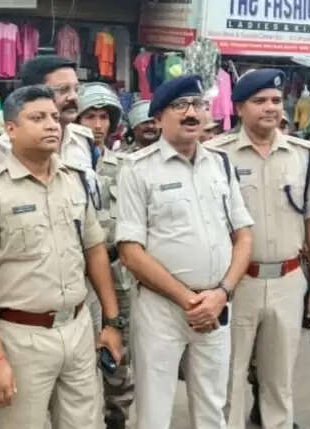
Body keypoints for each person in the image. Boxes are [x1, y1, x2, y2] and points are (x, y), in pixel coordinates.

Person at [0, 84, 122, 429]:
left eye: (53, 117)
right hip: (22, 335)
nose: (51, 125)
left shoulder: (74, 181)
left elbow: (95, 251)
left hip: (77, 327)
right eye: (37, 118)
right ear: (11, 129)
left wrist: (111, 323)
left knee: (84, 423)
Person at [117, 75, 253, 429]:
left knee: (212, 408)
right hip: (161, 308)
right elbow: (130, 251)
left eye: (198, 105)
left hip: (216, 304)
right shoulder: (137, 169)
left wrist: (221, 293)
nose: (192, 113)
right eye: (180, 106)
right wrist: (189, 300)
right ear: (158, 118)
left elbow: (243, 236)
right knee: (154, 412)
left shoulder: (221, 163)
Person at [207, 69, 310, 429]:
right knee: (227, 378)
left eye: (276, 101)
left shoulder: (304, 155)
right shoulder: (216, 155)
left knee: (279, 381)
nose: (270, 108)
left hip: (287, 280)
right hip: (236, 284)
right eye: (259, 101)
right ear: (239, 107)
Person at [74, 82, 133, 429]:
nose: (97, 125)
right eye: (89, 117)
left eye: (103, 117)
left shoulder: (125, 166)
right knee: (77, 358)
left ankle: (117, 417)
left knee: (118, 353)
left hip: (116, 272)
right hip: (77, 274)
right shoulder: (62, 166)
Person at [0, 55, 94, 175]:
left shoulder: (83, 139)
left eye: (76, 89)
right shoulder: (2, 151)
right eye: (63, 90)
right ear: (32, 93)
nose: (73, 97)